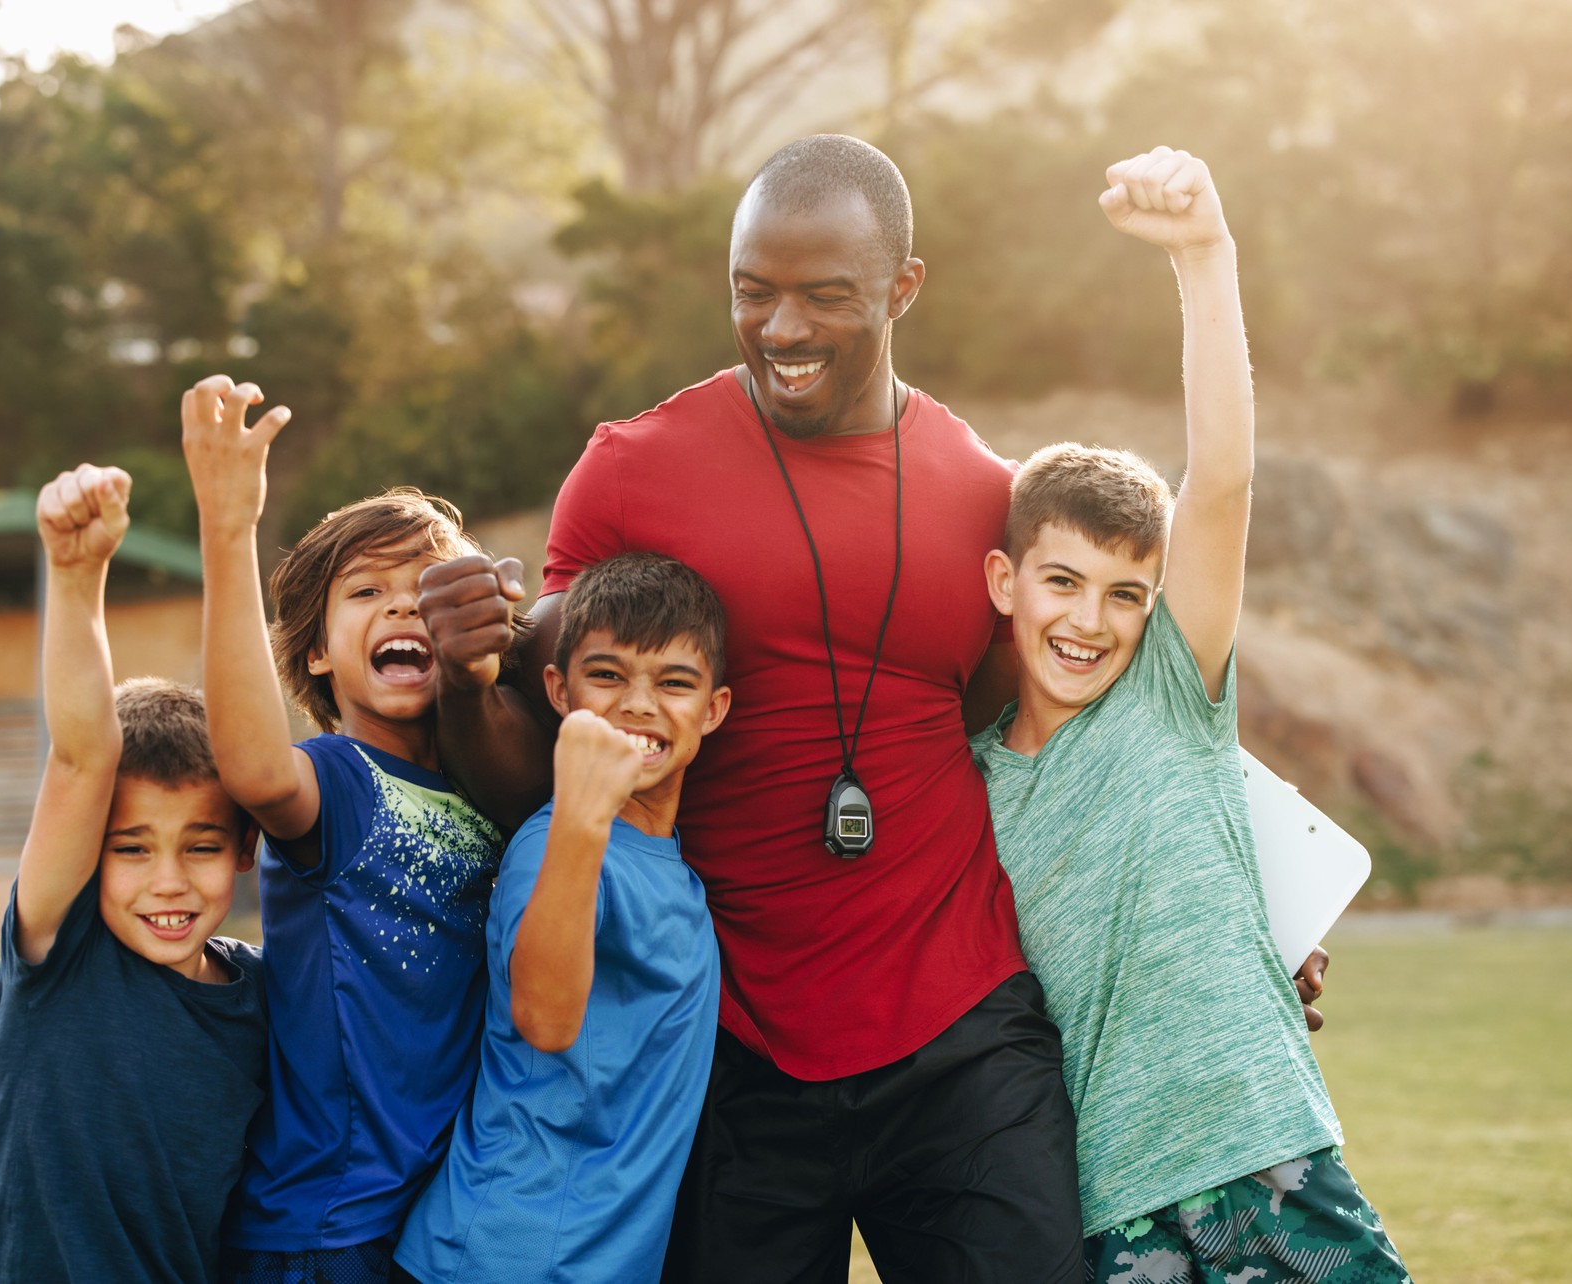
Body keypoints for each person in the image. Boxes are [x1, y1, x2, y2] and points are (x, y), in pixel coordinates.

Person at [419, 134, 1087, 1282]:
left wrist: (1255, 918)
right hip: (735, 1052)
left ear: (904, 287)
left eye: (826, 297)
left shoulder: (988, 495)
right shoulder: (630, 471)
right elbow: (537, 750)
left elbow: (1059, 732)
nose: (782, 330)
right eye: (752, 293)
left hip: (963, 1028)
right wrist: (459, 670)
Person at [969, 150, 1410, 1281]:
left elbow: (1220, 482)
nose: (1091, 621)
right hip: (1115, 1201)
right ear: (1002, 582)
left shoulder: (1171, 694)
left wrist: (1204, 256)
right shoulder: (963, 778)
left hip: (1272, 1154)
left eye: (1127, 595)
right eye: (1062, 582)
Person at [180, 377, 505, 1283]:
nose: (405, 607)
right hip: (327, 1227)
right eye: (367, 591)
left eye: (427, 588)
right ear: (317, 652)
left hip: (443, 1218)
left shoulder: (491, 789)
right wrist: (228, 527)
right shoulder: (339, 779)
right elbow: (249, 765)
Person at [394, 552, 731, 1284]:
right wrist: (582, 808)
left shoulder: (670, 864)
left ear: (714, 710)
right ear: (558, 688)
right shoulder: (554, 841)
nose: (640, 704)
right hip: (501, 1257)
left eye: (674, 682)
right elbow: (545, 1018)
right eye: (607, 676)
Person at [0, 464, 266, 1284]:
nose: (168, 881)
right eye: (131, 848)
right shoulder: (60, 960)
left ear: (245, 850)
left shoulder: (261, 997)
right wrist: (76, 576)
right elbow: (80, 759)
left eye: (201, 847)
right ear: (86, 853)